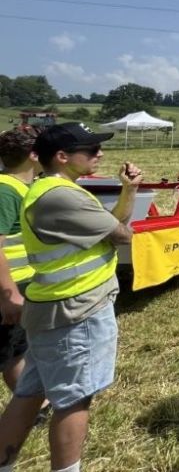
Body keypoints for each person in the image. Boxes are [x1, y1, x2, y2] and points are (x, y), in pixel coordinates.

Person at [0, 123, 142, 472]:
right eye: (91, 150)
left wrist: (129, 190)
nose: (100, 155)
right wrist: (121, 225)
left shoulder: (52, 189)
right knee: (74, 400)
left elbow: (110, 228)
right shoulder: (63, 196)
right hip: (77, 312)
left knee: (30, 392)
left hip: (53, 309)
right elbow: (122, 234)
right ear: (62, 157)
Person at [0, 129, 41, 409]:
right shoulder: (6, 190)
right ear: (33, 155)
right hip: (8, 287)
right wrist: (9, 294)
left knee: (16, 351)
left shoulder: (21, 187)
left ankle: (32, 408)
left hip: (21, 283)